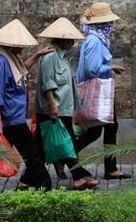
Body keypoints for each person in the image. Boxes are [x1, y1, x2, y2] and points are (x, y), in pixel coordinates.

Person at [34, 17, 100, 190]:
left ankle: (27, 180)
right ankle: (78, 177)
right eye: (70, 39)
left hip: (62, 109)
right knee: (63, 143)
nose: (72, 42)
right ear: (62, 39)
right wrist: (52, 105)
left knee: (44, 148)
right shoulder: (50, 57)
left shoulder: (62, 57)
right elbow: (47, 82)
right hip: (52, 110)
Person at [0, 18, 53, 190]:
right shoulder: (1, 62)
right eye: (21, 44)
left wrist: (38, 55)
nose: (23, 47)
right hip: (11, 118)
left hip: (14, 117)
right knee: (33, 157)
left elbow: (21, 70)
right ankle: (47, 188)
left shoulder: (11, 58)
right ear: (12, 44)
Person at [73, 2, 130, 180]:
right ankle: (109, 168)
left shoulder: (96, 40)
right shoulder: (94, 42)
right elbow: (91, 69)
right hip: (98, 91)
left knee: (97, 130)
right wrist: (111, 67)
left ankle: (68, 157)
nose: (110, 26)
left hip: (101, 91)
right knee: (107, 128)